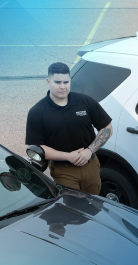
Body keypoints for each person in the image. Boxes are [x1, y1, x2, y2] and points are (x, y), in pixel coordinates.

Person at [25, 62, 113, 195]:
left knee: (94, 205)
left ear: (70, 81)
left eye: (66, 82)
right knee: (72, 209)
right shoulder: (37, 112)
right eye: (57, 82)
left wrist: (89, 151)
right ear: (48, 82)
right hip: (64, 171)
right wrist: (68, 156)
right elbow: (38, 147)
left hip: (91, 165)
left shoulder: (85, 101)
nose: (62, 87)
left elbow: (107, 127)